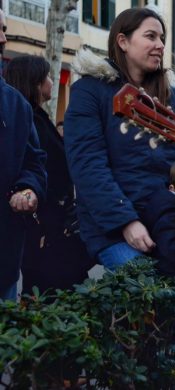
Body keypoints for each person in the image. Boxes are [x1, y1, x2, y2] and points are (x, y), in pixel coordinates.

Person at [64, 8, 175, 270]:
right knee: (148, 296)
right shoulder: (89, 90)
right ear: (123, 41)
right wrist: (125, 221)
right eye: (151, 36)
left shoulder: (170, 93)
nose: (160, 45)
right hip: (113, 226)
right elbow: (88, 165)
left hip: (168, 216)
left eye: (162, 38)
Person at [5, 55, 94, 294]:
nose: (52, 82)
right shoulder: (30, 120)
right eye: (46, 77)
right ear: (35, 82)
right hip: (44, 226)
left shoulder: (37, 117)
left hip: (52, 224)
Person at [0, 9, 47, 300]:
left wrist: (28, 188)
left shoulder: (16, 104)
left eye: (4, 29)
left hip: (3, 262)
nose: (3, 38)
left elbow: (34, 161)